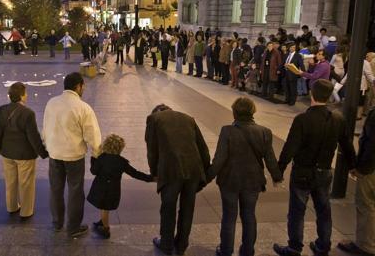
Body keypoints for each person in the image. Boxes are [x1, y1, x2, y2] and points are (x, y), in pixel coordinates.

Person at [274, 79, 357, 256]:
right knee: (323, 210)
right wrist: (353, 166)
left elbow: (290, 147)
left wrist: (279, 171)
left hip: (302, 171)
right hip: (325, 171)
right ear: (328, 97)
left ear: (312, 93)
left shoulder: (303, 119)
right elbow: (347, 145)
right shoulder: (337, 119)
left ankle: (294, 247)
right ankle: (323, 245)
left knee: (297, 211)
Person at [207, 97, 283, 256]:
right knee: (249, 215)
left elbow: (219, 159)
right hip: (253, 181)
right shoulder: (264, 132)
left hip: (229, 180)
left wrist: (206, 177)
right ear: (252, 111)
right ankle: (248, 250)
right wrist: (276, 177)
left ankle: (226, 250)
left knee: (229, 216)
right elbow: (270, 158)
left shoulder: (227, 130)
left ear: (234, 112)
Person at [146, 103, 210, 255]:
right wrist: (205, 172)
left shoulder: (153, 119)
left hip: (170, 171)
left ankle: (166, 244)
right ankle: (181, 245)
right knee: (187, 209)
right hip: (193, 170)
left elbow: (152, 150)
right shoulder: (188, 119)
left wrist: (154, 172)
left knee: (168, 208)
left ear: (156, 112)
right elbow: (203, 149)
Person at [42, 72, 102, 238]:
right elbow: (93, 136)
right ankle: (73, 227)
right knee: (75, 191)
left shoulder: (51, 103)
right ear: (78, 86)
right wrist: (97, 154)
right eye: (84, 86)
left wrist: (48, 145)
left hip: (54, 154)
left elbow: (45, 127)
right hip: (74, 157)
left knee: (56, 189)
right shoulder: (83, 108)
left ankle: (57, 223)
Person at [0, 82, 48, 219]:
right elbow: (33, 136)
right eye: (26, 93)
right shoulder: (28, 113)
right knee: (26, 184)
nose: (27, 95)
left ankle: (12, 207)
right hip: (24, 155)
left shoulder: (1, 110)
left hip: (7, 152)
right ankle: (26, 211)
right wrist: (43, 153)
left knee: (10, 182)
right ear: (22, 96)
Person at [88, 133, 153, 239]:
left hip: (101, 189)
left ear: (105, 145)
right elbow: (135, 173)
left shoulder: (101, 158)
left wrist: (93, 159)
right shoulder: (122, 162)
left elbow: (93, 171)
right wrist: (150, 178)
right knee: (106, 207)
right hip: (113, 190)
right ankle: (102, 222)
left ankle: (105, 229)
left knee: (104, 208)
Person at [338, 108, 375, 256]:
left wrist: (362, 168)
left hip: (371, 169)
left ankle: (366, 245)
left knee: (366, 204)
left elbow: (372, 145)